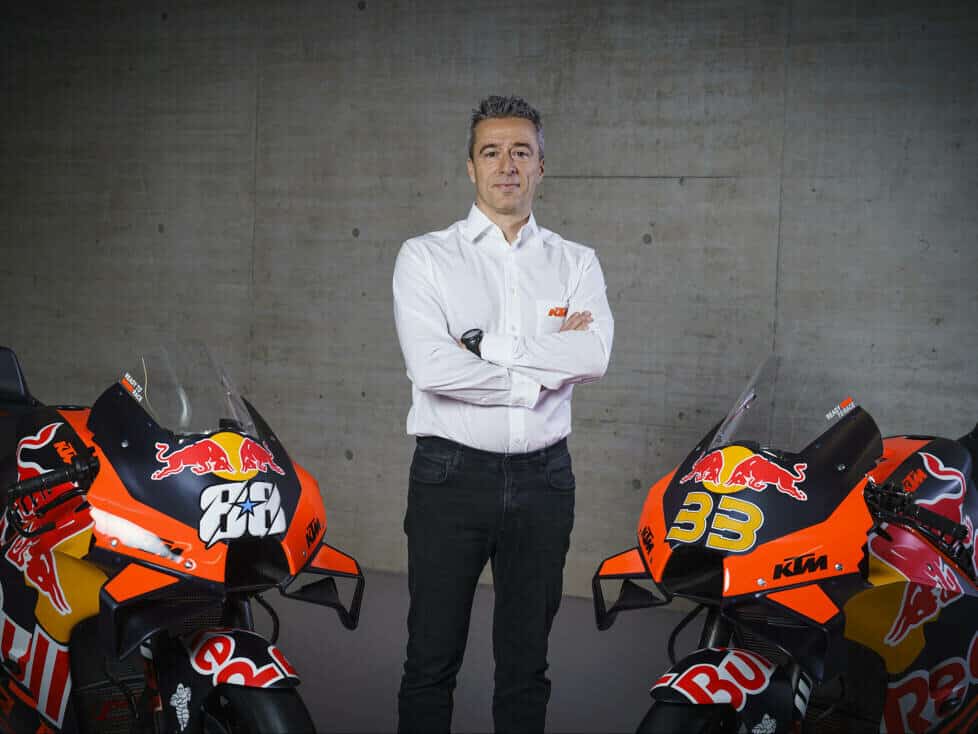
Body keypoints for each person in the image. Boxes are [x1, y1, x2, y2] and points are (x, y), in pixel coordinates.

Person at [392, 95, 614, 733]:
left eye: (521, 151)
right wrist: (537, 378)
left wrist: (485, 347)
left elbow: (592, 354)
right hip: (449, 480)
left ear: (542, 166)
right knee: (430, 661)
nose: (506, 165)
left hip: (545, 482)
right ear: (471, 167)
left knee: (526, 668)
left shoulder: (576, 262)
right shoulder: (425, 257)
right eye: (491, 152)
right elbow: (433, 368)